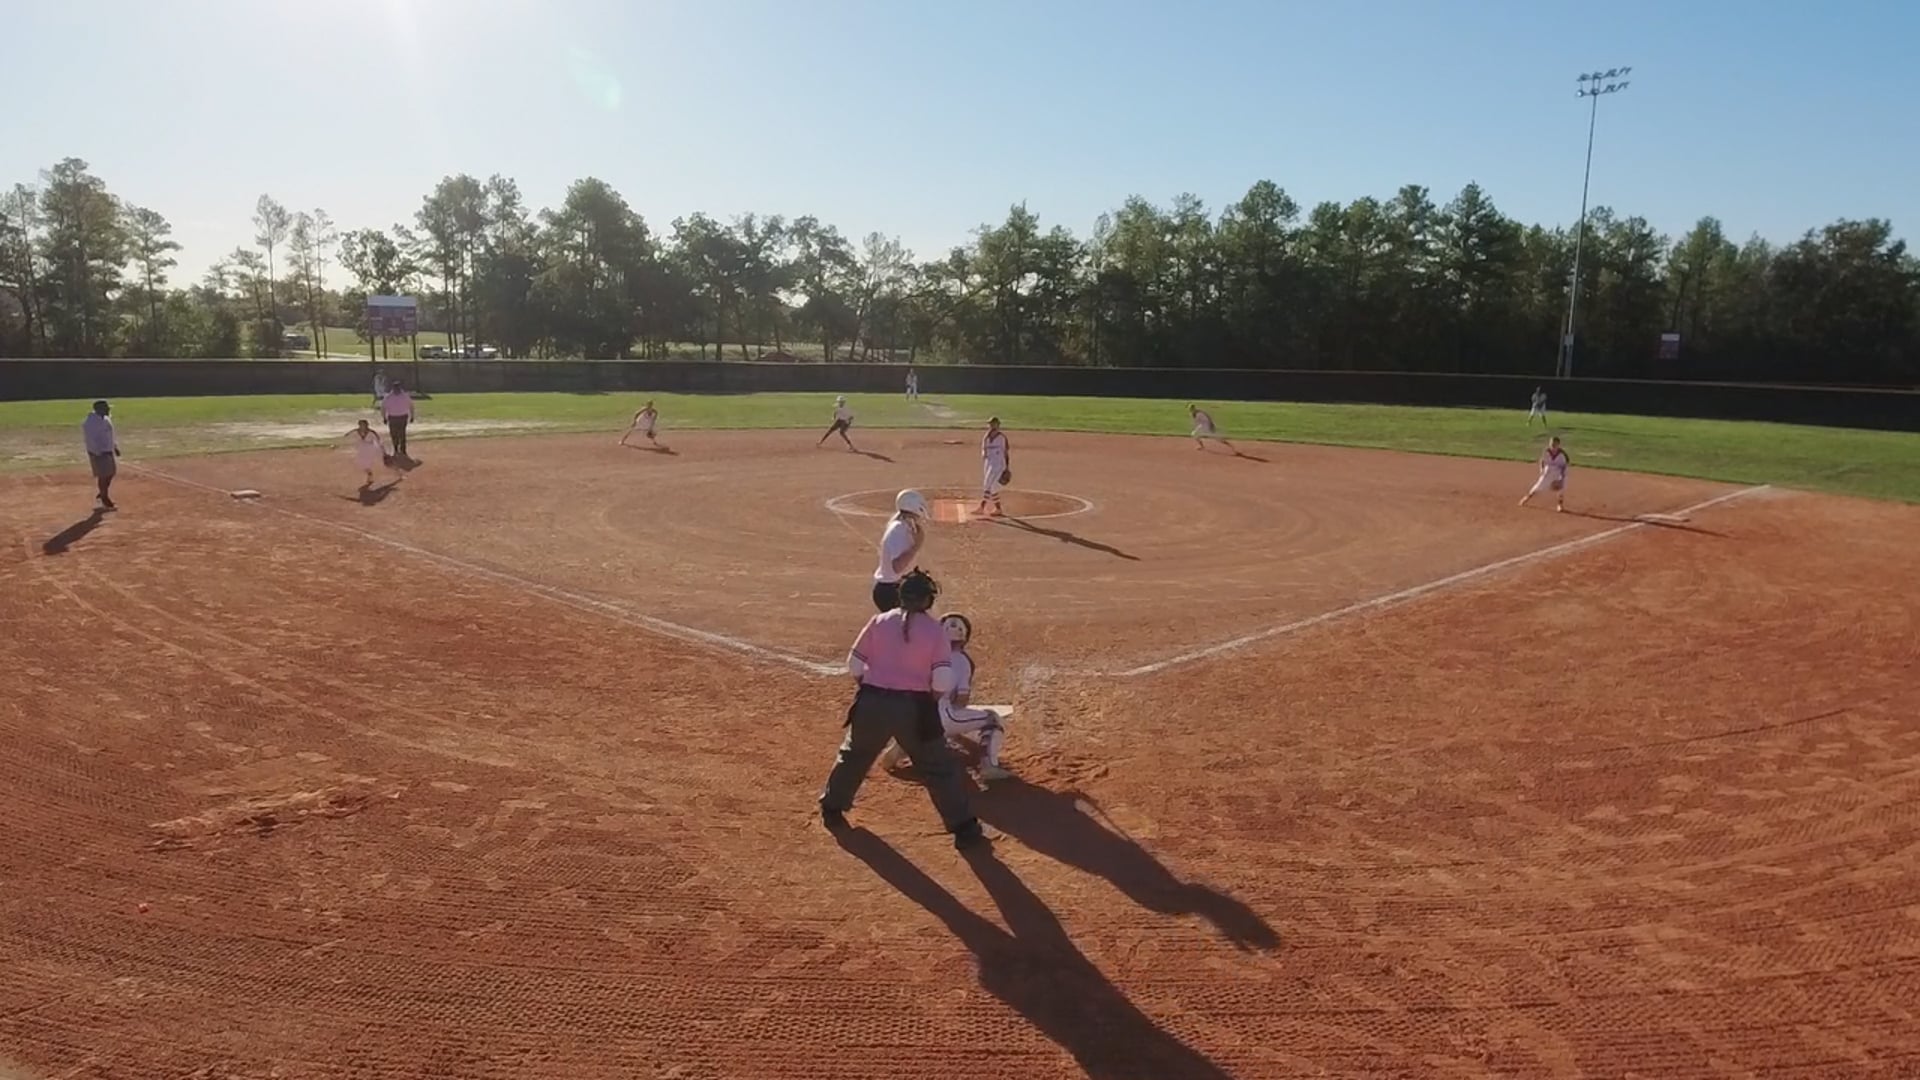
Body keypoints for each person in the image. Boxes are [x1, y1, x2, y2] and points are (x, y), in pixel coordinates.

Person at [818, 569, 989, 850]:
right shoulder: (935, 631)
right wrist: (930, 699)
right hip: (915, 708)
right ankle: (964, 830)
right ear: (928, 600)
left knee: (854, 755)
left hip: (872, 703)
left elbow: (855, 664)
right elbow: (942, 680)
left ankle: (832, 808)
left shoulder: (878, 621)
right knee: (937, 767)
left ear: (901, 596)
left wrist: (870, 687)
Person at [881, 612, 1012, 782]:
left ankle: (907, 741)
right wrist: (956, 725)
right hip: (941, 716)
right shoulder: (962, 660)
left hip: (909, 715)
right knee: (992, 720)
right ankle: (989, 766)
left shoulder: (921, 654)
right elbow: (961, 700)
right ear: (964, 636)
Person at [872, 489, 930, 611]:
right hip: (891, 592)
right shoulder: (898, 530)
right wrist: (916, 546)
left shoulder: (904, 526)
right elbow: (897, 566)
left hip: (895, 588)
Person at [81, 400, 120, 510]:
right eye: (106, 408)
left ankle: (102, 493)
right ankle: (105, 499)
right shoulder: (90, 422)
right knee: (103, 476)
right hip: (99, 452)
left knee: (111, 473)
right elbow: (90, 439)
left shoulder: (106, 419)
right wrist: (97, 452)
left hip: (107, 450)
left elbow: (109, 435)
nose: (108, 410)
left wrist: (114, 446)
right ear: (99, 410)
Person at [1519, 435, 1570, 512]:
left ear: (1558, 445)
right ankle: (1526, 498)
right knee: (1538, 486)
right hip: (1547, 472)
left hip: (1558, 473)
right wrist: (1541, 469)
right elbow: (1542, 461)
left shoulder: (1562, 454)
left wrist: (1561, 478)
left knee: (1561, 489)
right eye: (1551, 444)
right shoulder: (1546, 451)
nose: (1552, 445)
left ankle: (1560, 505)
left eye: (1554, 444)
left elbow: (1565, 466)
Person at [976, 417, 1010, 518]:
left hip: (999, 465)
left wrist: (1007, 468)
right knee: (988, 486)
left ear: (998, 425)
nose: (991, 426)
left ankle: (983, 507)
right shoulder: (986, 438)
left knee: (992, 487)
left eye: (993, 424)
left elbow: (1006, 453)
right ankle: (995, 509)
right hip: (988, 464)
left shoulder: (1002, 438)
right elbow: (984, 451)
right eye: (990, 424)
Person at [345, 419, 390, 488]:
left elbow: (379, 441)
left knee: (370, 463)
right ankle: (369, 473)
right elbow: (349, 434)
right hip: (362, 449)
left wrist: (384, 451)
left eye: (363, 425)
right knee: (361, 463)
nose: (362, 426)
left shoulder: (372, 432)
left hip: (371, 448)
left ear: (367, 425)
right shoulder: (357, 431)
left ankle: (370, 475)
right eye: (360, 425)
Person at [381, 380, 416, 458]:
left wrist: (412, 416)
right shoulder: (388, 397)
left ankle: (402, 449)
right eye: (395, 388)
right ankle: (396, 448)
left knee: (402, 433)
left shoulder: (404, 396)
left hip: (402, 417)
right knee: (394, 434)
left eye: (397, 387)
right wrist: (384, 417)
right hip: (393, 417)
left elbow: (411, 406)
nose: (397, 389)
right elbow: (383, 408)